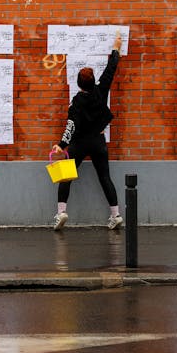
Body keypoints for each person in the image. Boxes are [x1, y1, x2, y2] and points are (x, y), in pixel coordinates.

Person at [50, 32, 124, 230]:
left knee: (66, 176)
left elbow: (71, 126)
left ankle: (61, 213)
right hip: (99, 142)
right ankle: (116, 215)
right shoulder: (101, 91)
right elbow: (111, 69)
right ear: (92, 82)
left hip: (80, 143)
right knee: (105, 177)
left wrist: (61, 145)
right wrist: (116, 47)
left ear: (78, 84)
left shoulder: (76, 103)